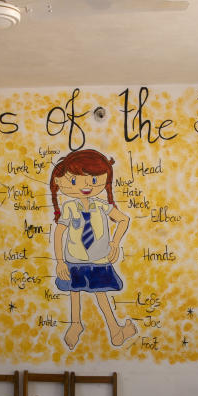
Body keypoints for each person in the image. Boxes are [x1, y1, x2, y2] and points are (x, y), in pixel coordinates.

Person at [50, 148, 137, 349]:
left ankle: (115, 331)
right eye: (75, 180)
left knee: (101, 294)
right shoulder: (70, 208)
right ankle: (75, 324)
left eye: (95, 180)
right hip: (74, 260)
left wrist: (115, 242)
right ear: (60, 181)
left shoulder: (101, 206)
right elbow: (58, 233)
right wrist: (60, 262)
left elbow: (123, 220)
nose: (87, 186)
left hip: (99, 260)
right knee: (74, 291)